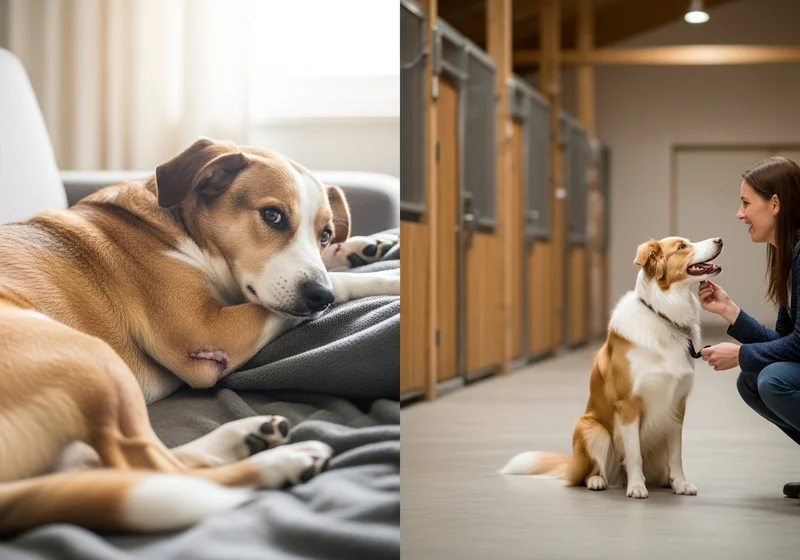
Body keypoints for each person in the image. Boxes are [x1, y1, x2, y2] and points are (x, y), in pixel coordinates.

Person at [699, 155, 800, 499]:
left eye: (745, 203)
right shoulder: (789, 255)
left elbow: (798, 348)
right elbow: (785, 342)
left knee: (772, 379)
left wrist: (741, 354)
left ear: (775, 204)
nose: (739, 214)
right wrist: (730, 311)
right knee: (753, 379)